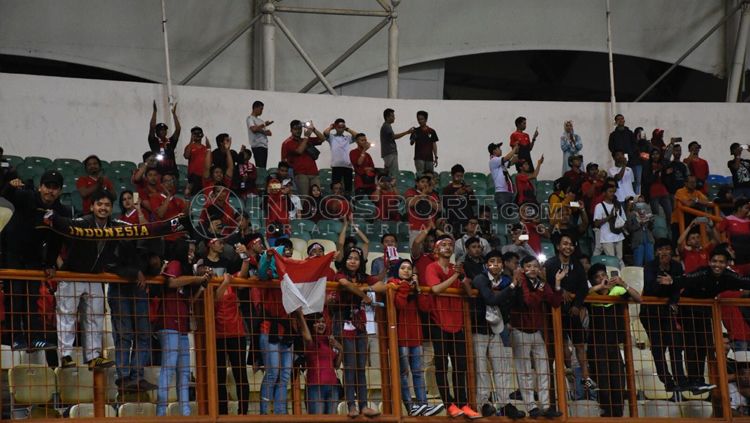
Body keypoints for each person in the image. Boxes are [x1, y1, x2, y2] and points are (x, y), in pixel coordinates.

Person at [4, 170, 69, 353]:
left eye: (55, 188)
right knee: (15, 296)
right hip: (13, 253)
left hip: (34, 256)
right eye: (48, 186)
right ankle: (16, 338)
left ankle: (36, 338)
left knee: (33, 298)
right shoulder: (26, 197)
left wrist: (49, 263)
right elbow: (6, 197)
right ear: (40, 187)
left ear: (60, 191)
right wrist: (10, 185)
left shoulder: (60, 211)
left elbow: (57, 240)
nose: (50, 191)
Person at [670, 249, 750, 393]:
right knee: (693, 346)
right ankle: (694, 381)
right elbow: (681, 281)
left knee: (704, 345)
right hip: (688, 310)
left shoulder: (728, 276)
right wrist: (673, 294)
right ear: (709, 262)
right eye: (714, 261)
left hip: (704, 311)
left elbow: (745, 282)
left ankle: (698, 381)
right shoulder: (702, 272)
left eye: (721, 262)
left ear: (726, 264)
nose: (717, 265)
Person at [55, 189, 118, 369]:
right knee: (67, 315)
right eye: (100, 204)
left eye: (107, 205)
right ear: (92, 206)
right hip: (73, 274)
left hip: (95, 276)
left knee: (95, 316)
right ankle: (65, 355)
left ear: (112, 208)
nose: (103, 208)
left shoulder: (114, 227)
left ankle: (93, 356)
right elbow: (61, 230)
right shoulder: (82, 223)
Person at [424, 235, 481, 419]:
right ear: (436, 248)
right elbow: (435, 289)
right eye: (444, 245)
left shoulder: (457, 269)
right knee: (441, 363)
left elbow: (469, 292)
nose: (448, 248)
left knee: (460, 364)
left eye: (450, 245)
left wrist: (463, 277)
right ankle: (449, 403)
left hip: (457, 322)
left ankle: (463, 402)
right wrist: (456, 275)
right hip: (439, 321)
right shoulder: (431, 267)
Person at [469, 250, 526, 419]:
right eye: (492, 261)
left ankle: (504, 403)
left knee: (502, 368)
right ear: (486, 264)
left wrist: (518, 285)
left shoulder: (507, 280)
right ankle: (484, 403)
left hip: (499, 330)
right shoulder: (480, 278)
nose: (496, 264)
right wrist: (513, 286)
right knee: (481, 369)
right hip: (479, 329)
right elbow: (490, 299)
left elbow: (518, 304)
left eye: (499, 261)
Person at [508, 255, 563, 419]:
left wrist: (558, 283)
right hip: (520, 331)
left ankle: (546, 406)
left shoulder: (541, 283)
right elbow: (528, 302)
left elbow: (555, 301)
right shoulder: (522, 281)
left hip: (536, 332)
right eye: (529, 266)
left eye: (535, 266)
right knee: (524, 371)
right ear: (523, 268)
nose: (532, 269)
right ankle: (531, 406)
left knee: (544, 370)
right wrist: (540, 290)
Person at [334, 247, 384, 418]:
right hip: (345, 324)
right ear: (344, 261)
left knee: (360, 368)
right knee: (349, 368)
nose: (353, 261)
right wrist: (364, 294)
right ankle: (351, 407)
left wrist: (367, 288)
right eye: (349, 258)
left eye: (356, 258)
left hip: (361, 325)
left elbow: (381, 285)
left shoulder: (364, 277)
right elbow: (345, 284)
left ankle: (363, 406)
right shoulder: (340, 273)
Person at [389, 260, 443, 416]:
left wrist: (418, 288)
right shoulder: (393, 284)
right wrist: (406, 287)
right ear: (396, 270)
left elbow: (425, 307)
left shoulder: (414, 286)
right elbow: (399, 304)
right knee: (404, 374)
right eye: (403, 268)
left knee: (418, 372)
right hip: (400, 337)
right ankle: (410, 407)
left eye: (409, 268)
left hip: (416, 336)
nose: (406, 271)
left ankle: (423, 405)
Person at [157, 240, 206, 416]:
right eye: (189, 251)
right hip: (169, 323)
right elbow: (170, 283)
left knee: (184, 372)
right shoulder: (175, 264)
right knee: (168, 369)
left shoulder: (186, 269)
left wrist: (201, 286)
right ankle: (160, 413)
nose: (191, 254)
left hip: (182, 326)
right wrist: (196, 278)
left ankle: (185, 413)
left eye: (193, 251)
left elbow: (188, 302)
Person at [109, 237, 163, 393]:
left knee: (144, 334)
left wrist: (155, 266)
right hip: (119, 288)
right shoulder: (121, 236)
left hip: (139, 288)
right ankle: (124, 378)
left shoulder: (153, 241)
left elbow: (152, 270)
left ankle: (137, 376)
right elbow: (110, 265)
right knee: (124, 334)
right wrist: (135, 272)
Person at [587, 263, 641, 417]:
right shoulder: (592, 295)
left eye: (603, 275)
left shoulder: (617, 291)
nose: (602, 279)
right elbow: (581, 296)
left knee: (618, 382)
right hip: (596, 346)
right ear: (593, 281)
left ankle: (618, 415)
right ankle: (606, 413)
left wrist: (623, 283)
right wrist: (598, 288)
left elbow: (639, 299)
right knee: (603, 384)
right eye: (597, 277)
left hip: (614, 345)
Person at [205, 238, 252, 414]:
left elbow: (244, 272)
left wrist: (244, 255)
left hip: (236, 333)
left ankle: (243, 412)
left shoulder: (231, 281)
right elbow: (215, 301)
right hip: (217, 334)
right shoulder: (214, 284)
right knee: (219, 376)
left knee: (241, 375)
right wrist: (224, 283)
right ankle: (222, 413)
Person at [544, 233, 594, 391]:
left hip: (572, 311)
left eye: (571, 244)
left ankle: (586, 378)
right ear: (558, 247)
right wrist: (561, 290)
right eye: (565, 244)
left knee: (580, 345)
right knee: (561, 346)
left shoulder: (577, 265)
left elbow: (583, 288)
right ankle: (563, 374)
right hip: (555, 311)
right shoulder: (550, 264)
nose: (568, 247)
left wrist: (577, 305)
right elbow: (545, 284)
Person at [640, 238, 687, 393]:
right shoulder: (650, 266)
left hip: (667, 310)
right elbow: (649, 288)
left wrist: (672, 289)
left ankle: (680, 379)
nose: (664, 252)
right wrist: (662, 278)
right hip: (650, 312)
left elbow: (680, 285)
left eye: (667, 248)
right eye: (661, 249)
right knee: (658, 347)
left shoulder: (677, 266)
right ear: (656, 252)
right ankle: (666, 380)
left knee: (675, 344)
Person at [303, 312, 342, 414]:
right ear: (311, 325)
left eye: (323, 322)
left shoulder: (329, 340)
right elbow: (306, 336)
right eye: (317, 322)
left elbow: (336, 366)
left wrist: (340, 348)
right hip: (315, 386)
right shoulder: (309, 341)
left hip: (333, 386)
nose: (321, 324)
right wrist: (299, 314)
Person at [281, 120, 325, 197]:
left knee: (317, 196)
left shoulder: (305, 139)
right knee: (305, 197)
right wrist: (306, 137)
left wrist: (313, 129)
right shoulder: (288, 142)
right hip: (300, 173)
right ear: (291, 130)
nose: (298, 131)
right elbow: (299, 151)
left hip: (314, 172)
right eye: (295, 129)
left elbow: (322, 139)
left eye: (299, 129)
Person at [593, 182, 626, 263]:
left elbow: (624, 219)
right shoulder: (599, 206)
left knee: (620, 259)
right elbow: (596, 223)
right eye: (610, 192)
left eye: (613, 192)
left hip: (618, 235)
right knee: (611, 260)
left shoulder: (618, 205)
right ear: (604, 193)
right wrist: (609, 217)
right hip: (606, 238)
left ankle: (621, 274)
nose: (612, 193)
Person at [324, 118, 359, 195]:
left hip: (348, 166)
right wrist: (331, 127)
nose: (341, 129)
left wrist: (347, 129)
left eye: (342, 127)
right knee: (335, 187)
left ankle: (348, 203)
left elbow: (357, 136)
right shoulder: (332, 137)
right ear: (335, 127)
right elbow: (325, 133)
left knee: (348, 188)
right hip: (336, 166)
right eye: (339, 127)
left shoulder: (347, 138)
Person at [404, 174, 440, 245]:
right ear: (417, 183)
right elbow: (411, 203)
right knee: (416, 252)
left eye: (427, 182)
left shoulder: (433, 195)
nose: (425, 184)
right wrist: (423, 193)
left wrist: (428, 199)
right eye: (422, 182)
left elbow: (439, 208)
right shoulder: (411, 192)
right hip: (416, 228)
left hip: (430, 229)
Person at [717, 198, 750, 275]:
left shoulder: (749, 221)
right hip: (736, 254)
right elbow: (717, 231)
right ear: (739, 208)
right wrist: (724, 245)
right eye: (746, 208)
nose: (748, 210)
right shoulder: (728, 219)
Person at [148, 100, 181, 177]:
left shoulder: (171, 141)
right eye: (160, 130)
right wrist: (155, 112)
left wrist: (174, 114)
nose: (163, 131)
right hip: (159, 175)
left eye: (164, 130)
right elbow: (152, 127)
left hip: (172, 174)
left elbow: (178, 129)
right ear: (157, 132)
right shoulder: (154, 141)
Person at [380, 108, 415, 177]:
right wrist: (407, 132)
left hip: (388, 153)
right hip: (390, 152)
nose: (394, 118)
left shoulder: (386, 126)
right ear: (387, 117)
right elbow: (394, 137)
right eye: (392, 116)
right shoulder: (386, 126)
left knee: (390, 173)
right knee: (393, 175)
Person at [442, 164, 476, 234]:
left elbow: (473, 203)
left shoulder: (466, 187)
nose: (459, 178)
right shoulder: (447, 189)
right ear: (452, 175)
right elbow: (445, 204)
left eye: (461, 176)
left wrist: (470, 193)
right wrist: (456, 194)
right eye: (457, 176)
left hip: (467, 219)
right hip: (454, 220)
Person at [641, 148, 672, 220]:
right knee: (656, 216)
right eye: (653, 154)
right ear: (650, 156)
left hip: (663, 191)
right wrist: (655, 172)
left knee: (669, 213)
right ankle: (657, 230)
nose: (655, 156)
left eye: (657, 154)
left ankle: (669, 229)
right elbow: (647, 180)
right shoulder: (647, 165)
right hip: (653, 192)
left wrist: (665, 173)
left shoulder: (663, 163)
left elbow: (667, 176)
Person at [488, 142, 519, 213]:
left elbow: (513, 162)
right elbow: (507, 158)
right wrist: (514, 149)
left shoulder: (499, 162)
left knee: (508, 216)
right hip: (502, 193)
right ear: (494, 151)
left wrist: (516, 152)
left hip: (507, 192)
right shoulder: (494, 160)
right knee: (504, 216)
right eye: (499, 148)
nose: (501, 150)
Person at [607, 114, 637, 185]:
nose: (620, 120)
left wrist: (631, 153)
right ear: (616, 122)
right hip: (619, 159)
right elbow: (611, 146)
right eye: (618, 119)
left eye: (622, 118)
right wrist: (617, 155)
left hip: (631, 158)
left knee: (631, 179)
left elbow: (634, 144)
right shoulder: (613, 135)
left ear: (624, 120)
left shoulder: (630, 133)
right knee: (620, 178)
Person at [626, 196, 656, 266]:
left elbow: (652, 228)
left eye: (642, 202)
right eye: (639, 202)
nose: (641, 204)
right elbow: (630, 228)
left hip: (648, 239)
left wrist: (651, 222)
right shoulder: (631, 214)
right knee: (638, 262)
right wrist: (639, 224)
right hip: (638, 240)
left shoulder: (648, 212)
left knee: (650, 261)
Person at [409, 110, 439, 175]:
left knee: (430, 177)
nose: (420, 121)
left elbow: (434, 144)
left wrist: (436, 157)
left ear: (426, 119)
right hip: (419, 158)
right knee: (421, 176)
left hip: (429, 158)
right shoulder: (415, 130)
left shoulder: (432, 131)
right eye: (418, 119)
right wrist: (413, 137)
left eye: (421, 119)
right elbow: (411, 143)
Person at [182, 127, 210, 196]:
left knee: (203, 196)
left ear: (202, 135)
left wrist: (209, 148)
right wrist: (191, 141)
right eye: (195, 134)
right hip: (193, 176)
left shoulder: (205, 148)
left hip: (204, 176)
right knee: (194, 196)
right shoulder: (189, 146)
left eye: (199, 133)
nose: (197, 135)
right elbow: (186, 156)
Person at [246, 100, 273, 168]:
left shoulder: (261, 121)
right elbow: (253, 129)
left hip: (264, 146)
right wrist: (263, 126)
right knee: (260, 166)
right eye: (261, 109)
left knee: (263, 167)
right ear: (255, 108)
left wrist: (261, 129)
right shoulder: (250, 118)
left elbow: (269, 133)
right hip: (257, 145)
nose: (261, 111)